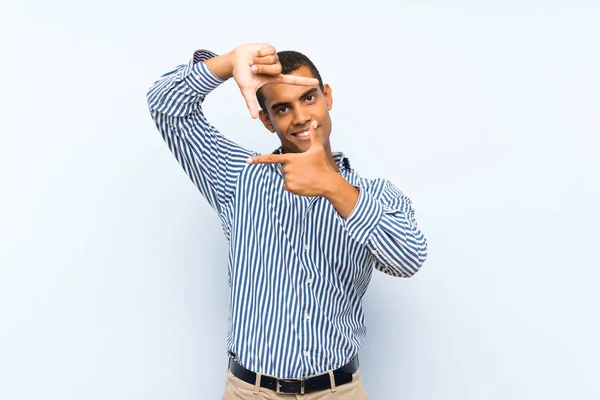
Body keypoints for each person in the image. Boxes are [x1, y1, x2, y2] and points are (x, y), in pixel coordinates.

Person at [147, 42, 428, 399]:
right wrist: (228, 62)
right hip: (251, 391)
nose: (299, 117)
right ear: (267, 119)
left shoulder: (377, 195)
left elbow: (408, 259)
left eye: (309, 98)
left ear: (327, 96)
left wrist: (333, 186)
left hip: (338, 391)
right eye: (282, 108)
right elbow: (165, 105)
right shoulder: (240, 177)